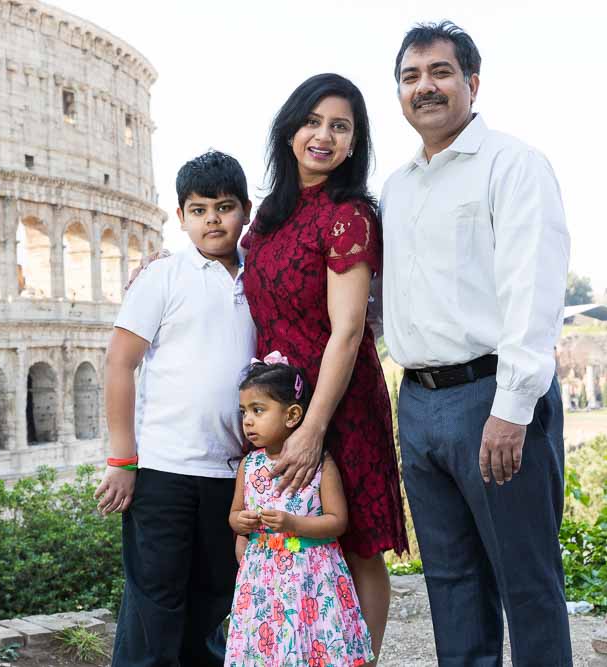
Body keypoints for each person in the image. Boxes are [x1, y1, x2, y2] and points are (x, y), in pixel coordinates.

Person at [380, 21, 573, 665]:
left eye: (439, 72)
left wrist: (512, 409)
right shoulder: (397, 187)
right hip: (420, 403)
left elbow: (534, 293)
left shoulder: (513, 165)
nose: (424, 87)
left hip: (493, 396)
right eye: (410, 77)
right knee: (452, 585)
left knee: (528, 583)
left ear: (472, 82)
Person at [241, 72, 409, 664]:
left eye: (340, 127)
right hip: (279, 404)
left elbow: (349, 329)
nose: (324, 135)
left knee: (357, 544)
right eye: (313, 121)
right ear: (289, 130)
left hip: (339, 403)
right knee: (282, 538)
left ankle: (360, 658)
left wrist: (313, 427)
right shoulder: (266, 216)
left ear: (354, 143)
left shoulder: (349, 214)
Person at [95, 150, 256, 667]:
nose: (213, 219)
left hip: (231, 474)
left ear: (245, 211)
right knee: (154, 608)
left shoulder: (260, 278)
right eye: (199, 208)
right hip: (164, 470)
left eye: (225, 207)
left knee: (214, 605)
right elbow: (120, 363)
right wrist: (123, 460)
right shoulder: (162, 277)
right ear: (182, 216)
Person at [226, 355, 373, 667]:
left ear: (292, 415)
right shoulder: (249, 466)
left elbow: (337, 522)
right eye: (244, 413)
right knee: (272, 649)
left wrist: (293, 523)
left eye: (258, 410)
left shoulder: (319, 464)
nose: (248, 421)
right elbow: (234, 515)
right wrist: (242, 521)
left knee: (310, 646)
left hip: (310, 577)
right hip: (264, 581)